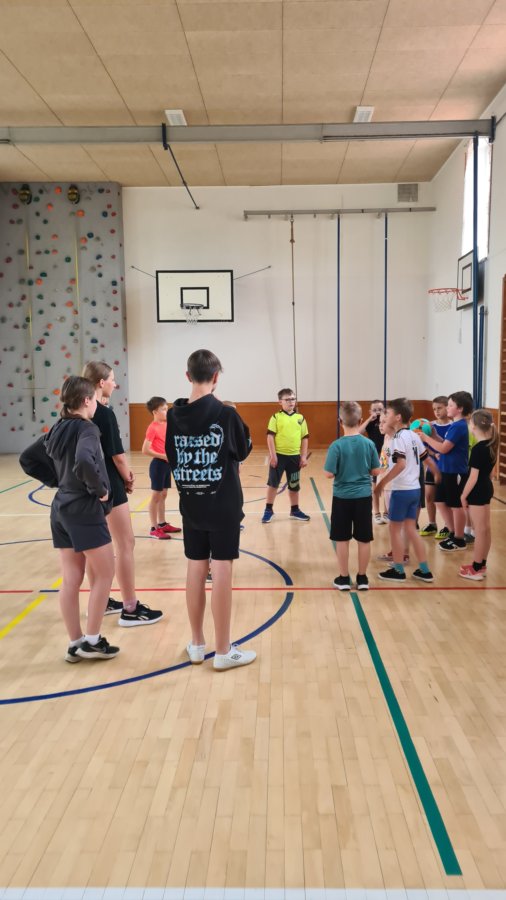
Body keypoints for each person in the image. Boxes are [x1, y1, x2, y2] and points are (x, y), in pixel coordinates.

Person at [165, 349, 256, 671]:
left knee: (195, 567)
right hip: (224, 505)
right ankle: (223, 650)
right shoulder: (226, 415)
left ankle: (196, 643)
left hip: (191, 503)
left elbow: (172, 455)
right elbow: (242, 451)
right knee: (221, 571)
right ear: (216, 377)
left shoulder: (173, 416)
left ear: (188, 376)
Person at [20, 377, 119, 662]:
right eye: (94, 399)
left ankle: (75, 643)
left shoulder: (58, 427)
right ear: (87, 400)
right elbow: (85, 460)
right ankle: (92, 641)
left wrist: (57, 481)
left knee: (71, 578)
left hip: (61, 508)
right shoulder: (88, 428)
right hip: (84, 509)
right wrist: (100, 490)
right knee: (105, 574)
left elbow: (27, 459)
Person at [82, 361, 163, 626]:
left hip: (85, 486)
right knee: (125, 543)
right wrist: (128, 476)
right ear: (100, 383)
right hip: (109, 484)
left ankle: (101, 601)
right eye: (112, 379)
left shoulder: (74, 412)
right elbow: (117, 456)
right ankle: (130, 608)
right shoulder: (104, 414)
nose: (115, 384)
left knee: (94, 546)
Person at [374, 398, 439, 583]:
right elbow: (426, 458)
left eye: (388, 413)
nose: (385, 416)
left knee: (394, 530)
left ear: (398, 417)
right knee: (411, 530)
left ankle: (398, 570)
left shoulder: (398, 438)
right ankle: (424, 570)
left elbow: (400, 464)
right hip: (415, 490)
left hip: (401, 491)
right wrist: (436, 472)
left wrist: (382, 483)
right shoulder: (414, 436)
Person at [324, 401, 381, 591]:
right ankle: (362, 578)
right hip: (363, 497)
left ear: (340, 421)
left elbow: (329, 474)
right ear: (361, 420)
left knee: (342, 539)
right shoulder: (369, 443)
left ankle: (343, 578)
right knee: (364, 539)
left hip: (342, 497)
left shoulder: (336, 446)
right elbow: (375, 471)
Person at [419, 391, 473, 552]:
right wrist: (434, 435)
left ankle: (459, 539)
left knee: (456, 505)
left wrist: (426, 438)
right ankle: (452, 532)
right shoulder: (456, 425)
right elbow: (445, 443)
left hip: (455, 471)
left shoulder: (459, 425)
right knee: (439, 501)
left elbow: (443, 449)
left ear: (460, 408)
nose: (447, 408)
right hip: (445, 470)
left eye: (450, 405)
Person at [459, 409, 498, 580]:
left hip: (477, 492)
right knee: (485, 529)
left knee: (480, 531)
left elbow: (473, 477)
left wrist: (463, 495)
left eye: (470, 423)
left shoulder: (478, 449)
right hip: (486, 489)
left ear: (473, 426)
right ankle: (481, 565)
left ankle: (475, 569)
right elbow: (490, 474)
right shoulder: (491, 444)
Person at [261, 388, 310, 524]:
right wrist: (273, 455)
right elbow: (270, 437)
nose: (291, 402)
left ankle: (295, 510)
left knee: (294, 485)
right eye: (287, 399)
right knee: (273, 483)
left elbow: (305, 438)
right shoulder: (276, 417)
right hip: (279, 457)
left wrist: (303, 456)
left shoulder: (300, 418)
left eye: (293, 399)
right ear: (280, 402)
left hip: (294, 457)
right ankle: (268, 509)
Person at [142, 396, 182, 540]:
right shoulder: (152, 428)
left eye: (167, 408)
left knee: (163, 495)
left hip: (166, 465)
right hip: (158, 465)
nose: (167, 411)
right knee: (156, 496)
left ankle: (162, 523)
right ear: (155, 412)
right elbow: (145, 450)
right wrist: (163, 456)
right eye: (163, 409)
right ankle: (154, 528)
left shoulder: (166, 424)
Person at [419, 396, 451, 538]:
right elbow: (423, 446)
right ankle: (432, 524)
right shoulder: (429, 426)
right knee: (429, 496)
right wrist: (434, 453)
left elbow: (450, 446)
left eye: (439, 408)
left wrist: (442, 452)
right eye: (434, 409)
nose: (436, 411)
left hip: (448, 468)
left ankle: (448, 525)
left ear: (447, 408)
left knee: (446, 498)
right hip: (432, 467)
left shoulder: (453, 426)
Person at [360, 399, 388, 523]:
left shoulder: (386, 422)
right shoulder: (370, 423)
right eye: (374, 410)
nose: (377, 412)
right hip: (374, 458)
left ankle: (386, 512)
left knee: (387, 486)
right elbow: (359, 432)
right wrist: (369, 419)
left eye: (380, 409)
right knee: (375, 487)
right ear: (370, 411)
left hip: (386, 457)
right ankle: (376, 513)